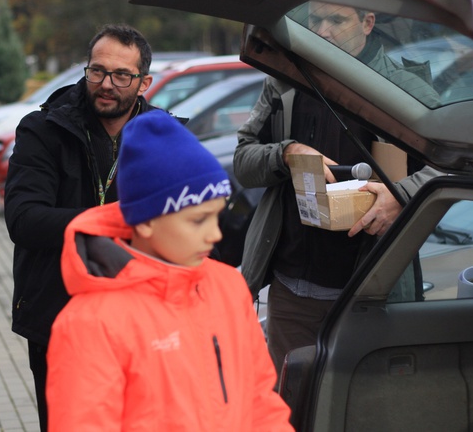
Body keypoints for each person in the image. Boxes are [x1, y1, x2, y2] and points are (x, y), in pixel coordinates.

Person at [45, 110, 293, 431]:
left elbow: (261, 400)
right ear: (146, 220)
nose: (215, 235)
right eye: (197, 220)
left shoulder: (228, 287)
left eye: (216, 217)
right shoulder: (91, 323)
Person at [234, 2, 440, 375]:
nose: (324, 31)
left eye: (337, 20)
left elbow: (450, 166)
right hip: (291, 291)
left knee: (360, 412)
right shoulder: (285, 80)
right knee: (290, 409)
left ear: (368, 22)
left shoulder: (405, 89)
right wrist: (286, 153)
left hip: (370, 295)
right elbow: (243, 162)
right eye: (316, 20)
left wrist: (402, 196)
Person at [4, 23, 155, 430]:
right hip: (59, 316)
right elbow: (23, 219)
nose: (107, 84)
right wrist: (118, 220)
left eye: (122, 75)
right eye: (97, 71)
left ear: (144, 83)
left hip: (140, 320)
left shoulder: (164, 135)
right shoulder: (44, 129)